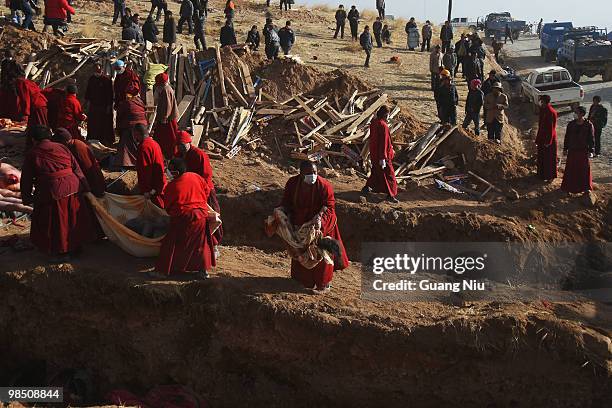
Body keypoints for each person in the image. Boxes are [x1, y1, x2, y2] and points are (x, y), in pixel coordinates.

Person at [20, 125, 95, 259]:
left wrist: (27, 197)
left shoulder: (32, 154)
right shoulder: (62, 147)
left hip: (52, 191)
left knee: (57, 222)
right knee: (72, 219)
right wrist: (85, 187)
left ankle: (61, 251)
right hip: (73, 186)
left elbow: (26, 179)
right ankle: (76, 246)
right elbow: (76, 168)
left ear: (33, 140)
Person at [280, 161, 349, 293]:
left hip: (321, 225)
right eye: (308, 173)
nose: (312, 176)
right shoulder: (293, 184)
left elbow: (329, 206)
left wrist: (320, 220)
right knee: (300, 251)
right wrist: (282, 212)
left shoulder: (324, 185)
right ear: (301, 174)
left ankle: (323, 284)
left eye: (315, 173)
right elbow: (286, 202)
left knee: (321, 253)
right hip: (300, 224)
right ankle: (302, 281)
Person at [155, 158, 215, 279]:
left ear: (176, 173)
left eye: (170, 171)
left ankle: (162, 272)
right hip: (201, 216)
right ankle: (203, 271)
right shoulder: (196, 177)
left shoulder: (172, 186)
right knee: (200, 245)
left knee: (171, 243)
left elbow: (168, 206)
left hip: (183, 217)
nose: (168, 173)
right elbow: (206, 191)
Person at [176, 130, 222, 244]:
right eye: (178, 145)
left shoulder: (199, 155)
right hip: (191, 192)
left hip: (204, 190)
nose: (180, 148)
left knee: (212, 216)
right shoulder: (180, 155)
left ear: (189, 143)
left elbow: (207, 177)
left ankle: (214, 242)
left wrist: (202, 194)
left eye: (182, 145)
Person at [52, 127, 106, 197]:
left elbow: (88, 169)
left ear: (64, 141)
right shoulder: (72, 145)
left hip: (93, 181)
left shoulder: (77, 147)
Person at [362, 105, 398, 202]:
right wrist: (383, 157)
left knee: (376, 173)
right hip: (383, 156)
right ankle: (391, 195)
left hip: (374, 153)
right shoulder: (383, 126)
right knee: (389, 176)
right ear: (386, 115)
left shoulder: (374, 122)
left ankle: (367, 187)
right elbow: (384, 142)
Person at [0, 60, 48, 131]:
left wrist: (24, 118)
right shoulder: (12, 83)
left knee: (39, 132)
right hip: (33, 108)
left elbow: (25, 100)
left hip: (37, 108)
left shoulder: (22, 82)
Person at [561, 106, 594, 194]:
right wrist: (565, 148)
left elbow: (591, 138)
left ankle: (585, 187)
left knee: (584, 169)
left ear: (582, 114)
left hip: (583, 150)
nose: (574, 114)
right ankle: (569, 187)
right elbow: (567, 137)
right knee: (571, 169)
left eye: (576, 112)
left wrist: (591, 150)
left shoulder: (588, 125)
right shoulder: (571, 124)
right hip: (572, 150)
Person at [135, 123, 166, 208]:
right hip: (159, 183)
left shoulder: (143, 147)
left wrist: (146, 190)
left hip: (152, 188)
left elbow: (144, 171)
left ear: (137, 134)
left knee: (155, 211)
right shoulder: (154, 143)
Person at [115, 89, 147, 167]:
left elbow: (120, 115)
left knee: (125, 141)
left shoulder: (126, 103)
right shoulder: (140, 101)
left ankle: (127, 162)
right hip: (143, 125)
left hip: (131, 126)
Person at [85, 63, 114, 147]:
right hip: (94, 106)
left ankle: (104, 140)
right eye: (95, 70)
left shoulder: (106, 80)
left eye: (98, 70)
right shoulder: (91, 79)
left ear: (101, 70)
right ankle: (93, 138)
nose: (97, 72)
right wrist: (87, 104)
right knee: (93, 123)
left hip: (104, 106)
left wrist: (109, 106)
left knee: (104, 124)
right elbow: (88, 92)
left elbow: (110, 95)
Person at [152, 72, 179, 159]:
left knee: (168, 138)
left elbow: (167, 105)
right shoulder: (167, 88)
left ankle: (168, 154)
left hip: (167, 119)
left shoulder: (165, 90)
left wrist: (164, 117)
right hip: (167, 117)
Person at [535, 95, 558, 181]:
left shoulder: (550, 112)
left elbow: (551, 128)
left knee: (549, 159)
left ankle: (550, 177)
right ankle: (541, 175)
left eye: (542, 102)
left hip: (549, 139)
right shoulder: (543, 110)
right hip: (542, 137)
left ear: (545, 102)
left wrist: (548, 141)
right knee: (541, 157)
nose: (541, 103)